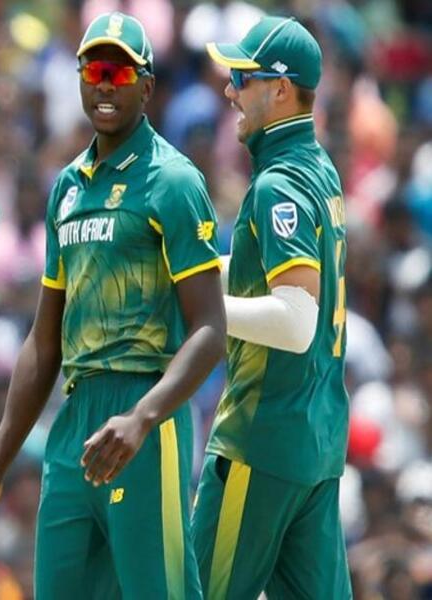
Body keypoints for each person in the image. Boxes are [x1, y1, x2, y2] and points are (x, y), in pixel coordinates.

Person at [0, 11, 225, 599]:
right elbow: (43, 341)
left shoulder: (173, 181)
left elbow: (211, 328)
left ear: (147, 87)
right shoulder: (67, 188)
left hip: (144, 414)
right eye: (95, 71)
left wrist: (143, 418)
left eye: (120, 73)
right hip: (76, 423)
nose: (106, 84)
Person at [191, 16, 351, 599]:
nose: (229, 89)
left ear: (280, 89)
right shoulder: (317, 168)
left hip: (262, 440)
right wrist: (188, 277)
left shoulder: (278, 184)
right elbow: (264, 269)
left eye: (242, 77)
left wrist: (204, 309)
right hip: (315, 445)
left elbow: (296, 320)